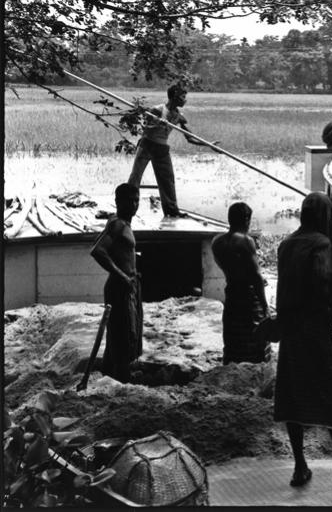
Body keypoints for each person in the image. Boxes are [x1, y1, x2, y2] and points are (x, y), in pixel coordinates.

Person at [273, 192, 332, 490]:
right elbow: (323, 286)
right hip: (315, 331)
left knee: (293, 394)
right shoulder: (322, 244)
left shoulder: (286, 245)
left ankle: (300, 467)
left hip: (291, 332)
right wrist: (329, 319)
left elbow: (282, 290)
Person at [127, 84, 218, 217]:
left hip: (162, 148)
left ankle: (171, 211)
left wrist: (209, 145)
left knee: (168, 180)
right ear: (174, 96)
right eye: (182, 97)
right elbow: (145, 129)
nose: (184, 100)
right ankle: (128, 206)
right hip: (147, 145)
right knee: (135, 177)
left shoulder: (179, 117)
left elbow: (190, 138)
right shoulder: (157, 110)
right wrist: (158, 123)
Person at [90, 183, 143, 383]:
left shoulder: (120, 223)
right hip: (119, 285)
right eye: (130, 200)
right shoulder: (118, 224)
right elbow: (98, 250)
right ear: (118, 202)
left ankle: (109, 374)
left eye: (137, 200)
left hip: (127, 285)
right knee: (122, 335)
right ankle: (122, 378)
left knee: (118, 334)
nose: (134, 204)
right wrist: (121, 274)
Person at [211, 202, 269, 365]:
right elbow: (256, 276)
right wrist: (265, 304)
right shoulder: (245, 240)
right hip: (248, 295)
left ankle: (232, 363)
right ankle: (255, 365)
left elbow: (227, 266)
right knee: (254, 332)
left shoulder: (217, 242)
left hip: (232, 291)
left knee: (233, 332)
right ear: (246, 220)